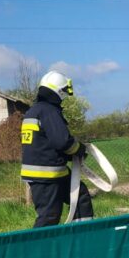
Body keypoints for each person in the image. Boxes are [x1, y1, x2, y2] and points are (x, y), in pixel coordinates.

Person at [20, 70, 93, 228]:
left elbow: (45, 143)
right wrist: (79, 150)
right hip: (46, 175)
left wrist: (67, 156)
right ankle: (36, 248)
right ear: (59, 91)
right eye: (65, 93)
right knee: (49, 215)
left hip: (52, 173)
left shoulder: (33, 111)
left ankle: (82, 235)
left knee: (80, 196)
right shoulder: (49, 111)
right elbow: (62, 142)